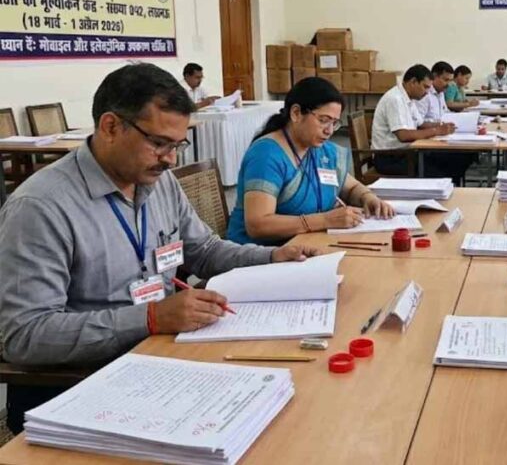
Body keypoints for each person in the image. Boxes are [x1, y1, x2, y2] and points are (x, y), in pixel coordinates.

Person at [0, 63, 316, 433]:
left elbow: (204, 251)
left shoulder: (158, 183)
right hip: (79, 388)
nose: (171, 159)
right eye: (159, 143)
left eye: (177, 145)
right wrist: (150, 318)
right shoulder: (41, 207)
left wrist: (273, 256)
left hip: (158, 360)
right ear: (110, 127)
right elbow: (26, 335)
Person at [227, 77, 394, 245]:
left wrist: (368, 198)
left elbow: (351, 188)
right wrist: (324, 220)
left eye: (334, 123)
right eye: (323, 120)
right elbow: (258, 225)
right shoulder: (266, 154)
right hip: (263, 252)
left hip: (306, 243)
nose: (329, 131)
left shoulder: (322, 151)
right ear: (296, 113)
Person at [371, 64, 472, 183]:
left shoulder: (409, 98)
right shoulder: (395, 99)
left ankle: (453, 188)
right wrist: (436, 131)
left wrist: (442, 126)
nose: (427, 92)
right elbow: (403, 136)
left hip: (407, 152)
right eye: (425, 87)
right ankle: (447, 189)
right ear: (413, 82)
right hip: (390, 158)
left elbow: (421, 123)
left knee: (459, 157)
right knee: (442, 170)